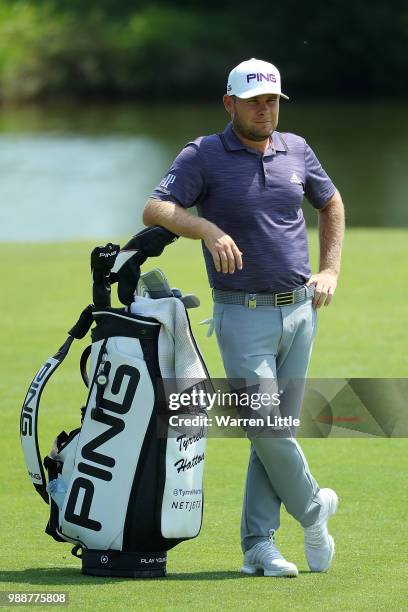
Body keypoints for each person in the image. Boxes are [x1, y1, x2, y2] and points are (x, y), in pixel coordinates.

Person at [143, 58, 345, 577]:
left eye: (273, 100)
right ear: (229, 103)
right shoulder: (203, 154)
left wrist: (329, 269)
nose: (265, 109)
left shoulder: (296, 148)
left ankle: (259, 546)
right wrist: (206, 229)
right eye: (254, 101)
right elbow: (157, 208)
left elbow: (331, 201)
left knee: (269, 434)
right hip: (241, 315)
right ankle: (313, 509)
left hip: (301, 311)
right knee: (267, 426)